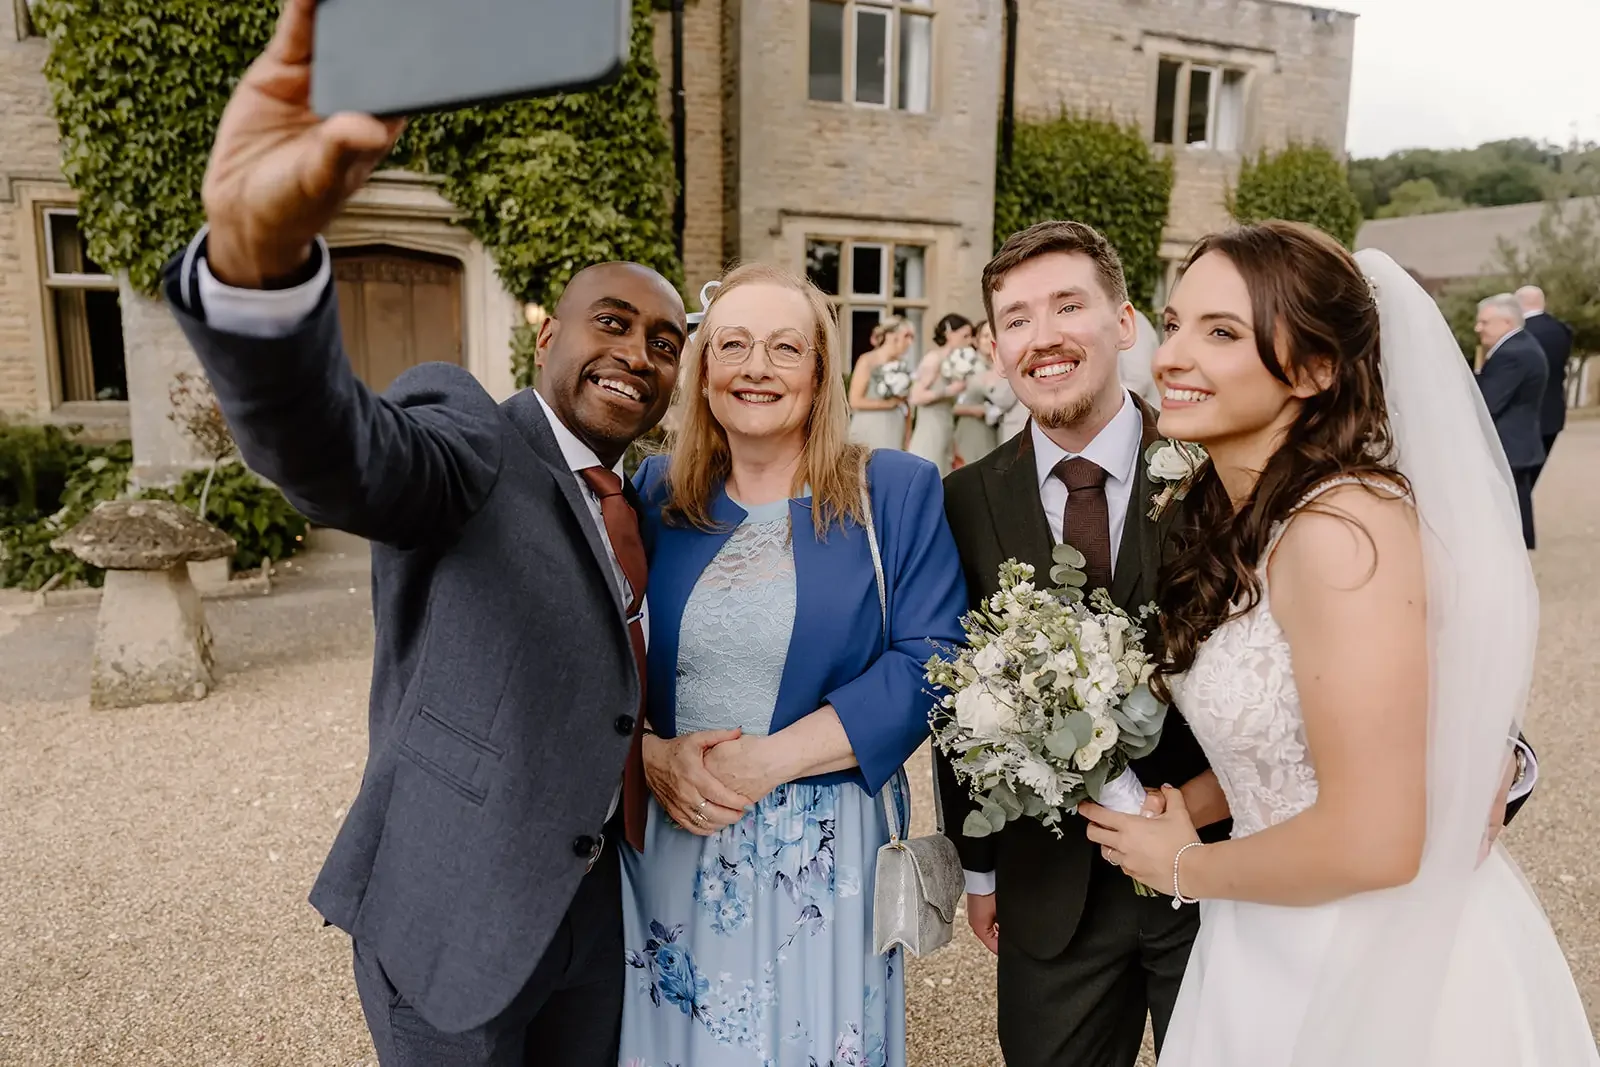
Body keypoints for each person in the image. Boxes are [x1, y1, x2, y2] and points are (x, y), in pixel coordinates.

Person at [159, 3, 685, 1062]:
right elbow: (337, 452)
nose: (639, 352)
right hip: (458, 919)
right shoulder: (469, 437)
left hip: (600, 918)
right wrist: (255, 265)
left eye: (667, 341)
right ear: (547, 333)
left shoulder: (654, 500)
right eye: (614, 322)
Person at [1081, 222, 1585, 1066]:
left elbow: (1377, 839)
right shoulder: (1245, 511)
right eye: (1175, 323)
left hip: (1373, 957)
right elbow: (1300, 735)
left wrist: (1183, 866)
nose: (1172, 355)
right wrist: (1199, 805)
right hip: (1270, 933)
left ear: (1315, 371)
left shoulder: (1341, 533)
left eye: (1222, 332)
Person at [621, 264, 967, 1067]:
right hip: (674, 837)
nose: (756, 367)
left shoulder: (894, 489)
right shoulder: (655, 491)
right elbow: (601, 655)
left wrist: (767, 761)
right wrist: (648, 754)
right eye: (733, 344)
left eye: (785, 347)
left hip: (822, 853)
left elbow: (934, 655)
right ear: (704, 370)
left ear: (820, 372)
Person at [935, 221, 1227, 1067]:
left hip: (1216, 871)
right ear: (996, 348)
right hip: (1048, 887)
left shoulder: (1218, 470)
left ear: (1126, 322)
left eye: (1070, 305)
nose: (1045, 336)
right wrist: (980, 867)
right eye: (1018, 318)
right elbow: (955, 694)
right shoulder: (959, 502)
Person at [1474, 293, 1549, 548]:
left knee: (1510, 501)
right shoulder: (1524, 345)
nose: (1478, 328)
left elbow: (1488, 402)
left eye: (1484, 322)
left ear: (1506, 322)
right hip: (1519, 439)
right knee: (1518, 498)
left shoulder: (1512, 354)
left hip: (1509, 440)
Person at [1516, 285, 1574, 485]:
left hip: (1524, 415)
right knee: (1531, 478)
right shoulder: (1562, 330)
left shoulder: (1520, 334)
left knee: (1516, 481)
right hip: (1553, 413)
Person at [907, 313, 976, 475]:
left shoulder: (958, 362)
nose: (969, 341)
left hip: (946, 427)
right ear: (949, 333)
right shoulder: (933, 359)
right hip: (930, 428)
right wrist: (948, 391)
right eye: (965, 335)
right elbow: (915, 396)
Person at [849, 315, 917, 451]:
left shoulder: (902, 365)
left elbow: (906, 403)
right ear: (892, 336)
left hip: (896, 425)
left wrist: (908, 437)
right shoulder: (867, 361)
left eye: (912, 338)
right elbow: (854, 401)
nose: (910, 342)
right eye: (907, 336)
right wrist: (888, 404)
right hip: (870, 424)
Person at [953, 321, 1001, 467]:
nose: (990, 340)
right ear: (976, 340)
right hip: (970, 430)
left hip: (995, 432)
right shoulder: (964, 366)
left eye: (994, 336)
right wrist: (975, 410)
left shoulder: (1001, 366)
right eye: (985, 336)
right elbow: (949, 404)